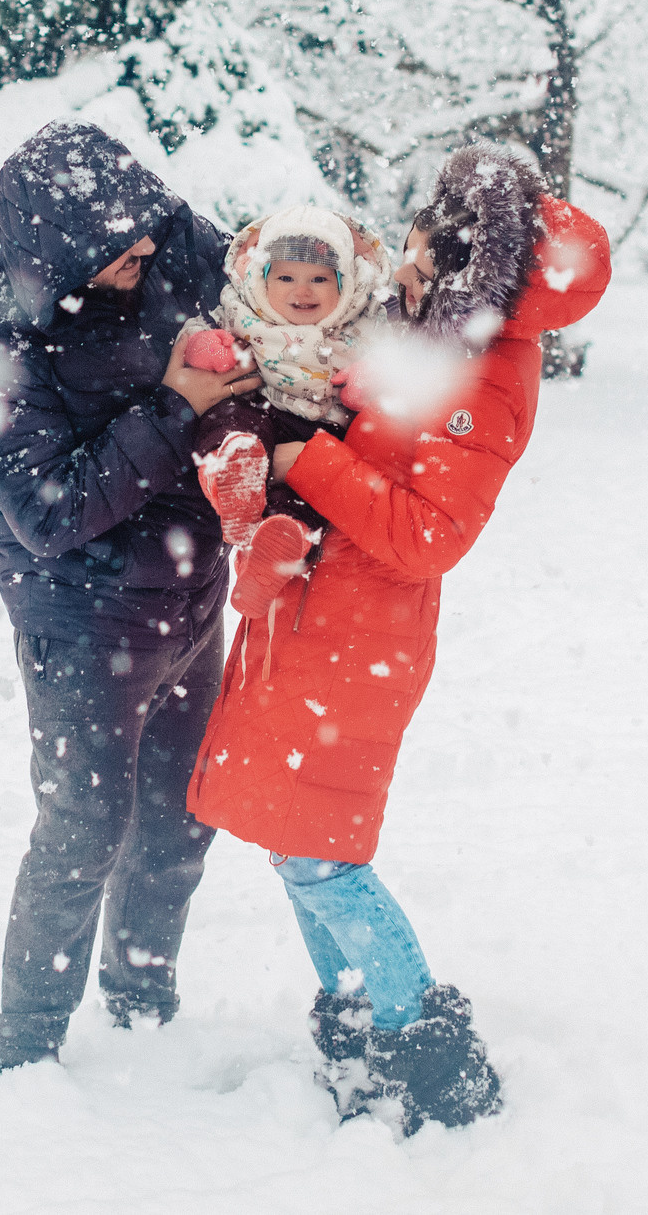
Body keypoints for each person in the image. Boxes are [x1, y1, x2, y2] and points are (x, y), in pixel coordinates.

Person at [185, 141, 612, 1133]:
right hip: (308, 616)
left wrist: (306, 456)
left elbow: (429, 534)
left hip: (355, 636)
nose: (407, 258)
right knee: (294, 842)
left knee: (318, 855)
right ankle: (357, 1026)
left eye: (424, 242)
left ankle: (427, 1053)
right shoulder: (427, 336)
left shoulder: (489, 369)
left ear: (468, 263)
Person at [0, 119, 264, 1073]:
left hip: (191, 592)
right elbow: (51, 509)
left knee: (181, 814)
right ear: (59, 252)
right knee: (83, 830)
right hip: (81, 617)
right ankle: (29, 1046)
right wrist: (179, 407)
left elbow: (259, 286)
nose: (145, 248)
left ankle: (141, 1004)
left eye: (146, 227)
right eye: (117, 245)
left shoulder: (167, 238)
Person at [180, 205, 394, 547]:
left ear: (346, 283)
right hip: (259, 409)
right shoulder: (245, 311)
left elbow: (391, 359)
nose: (303, 291)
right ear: (261, 279)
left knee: (310, 499)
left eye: (319, 279)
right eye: (286, 278)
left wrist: (371, 377)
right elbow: (201, 330)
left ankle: (279, 543)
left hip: (325, 434)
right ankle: (231, 474)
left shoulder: (362, 322)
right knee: (230, 421)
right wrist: (204, 346)